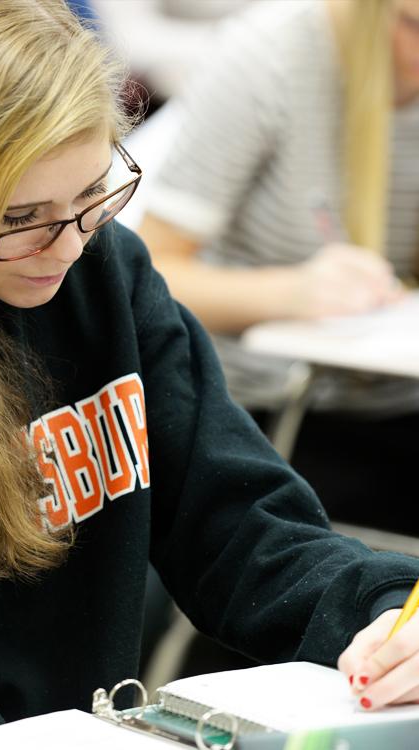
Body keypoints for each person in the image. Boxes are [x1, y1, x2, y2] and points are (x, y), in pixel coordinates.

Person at [0, 1, 419, 748]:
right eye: (22, 218)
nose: (66, 246)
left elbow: (239, 524)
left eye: (91, 196)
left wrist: (383, 608)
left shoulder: (106, 272)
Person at [138, 0, 419, 535]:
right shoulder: (269, 59)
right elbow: (150, 277)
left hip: (399, 400)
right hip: (274, 407)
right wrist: (291, 292)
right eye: (412, 25)